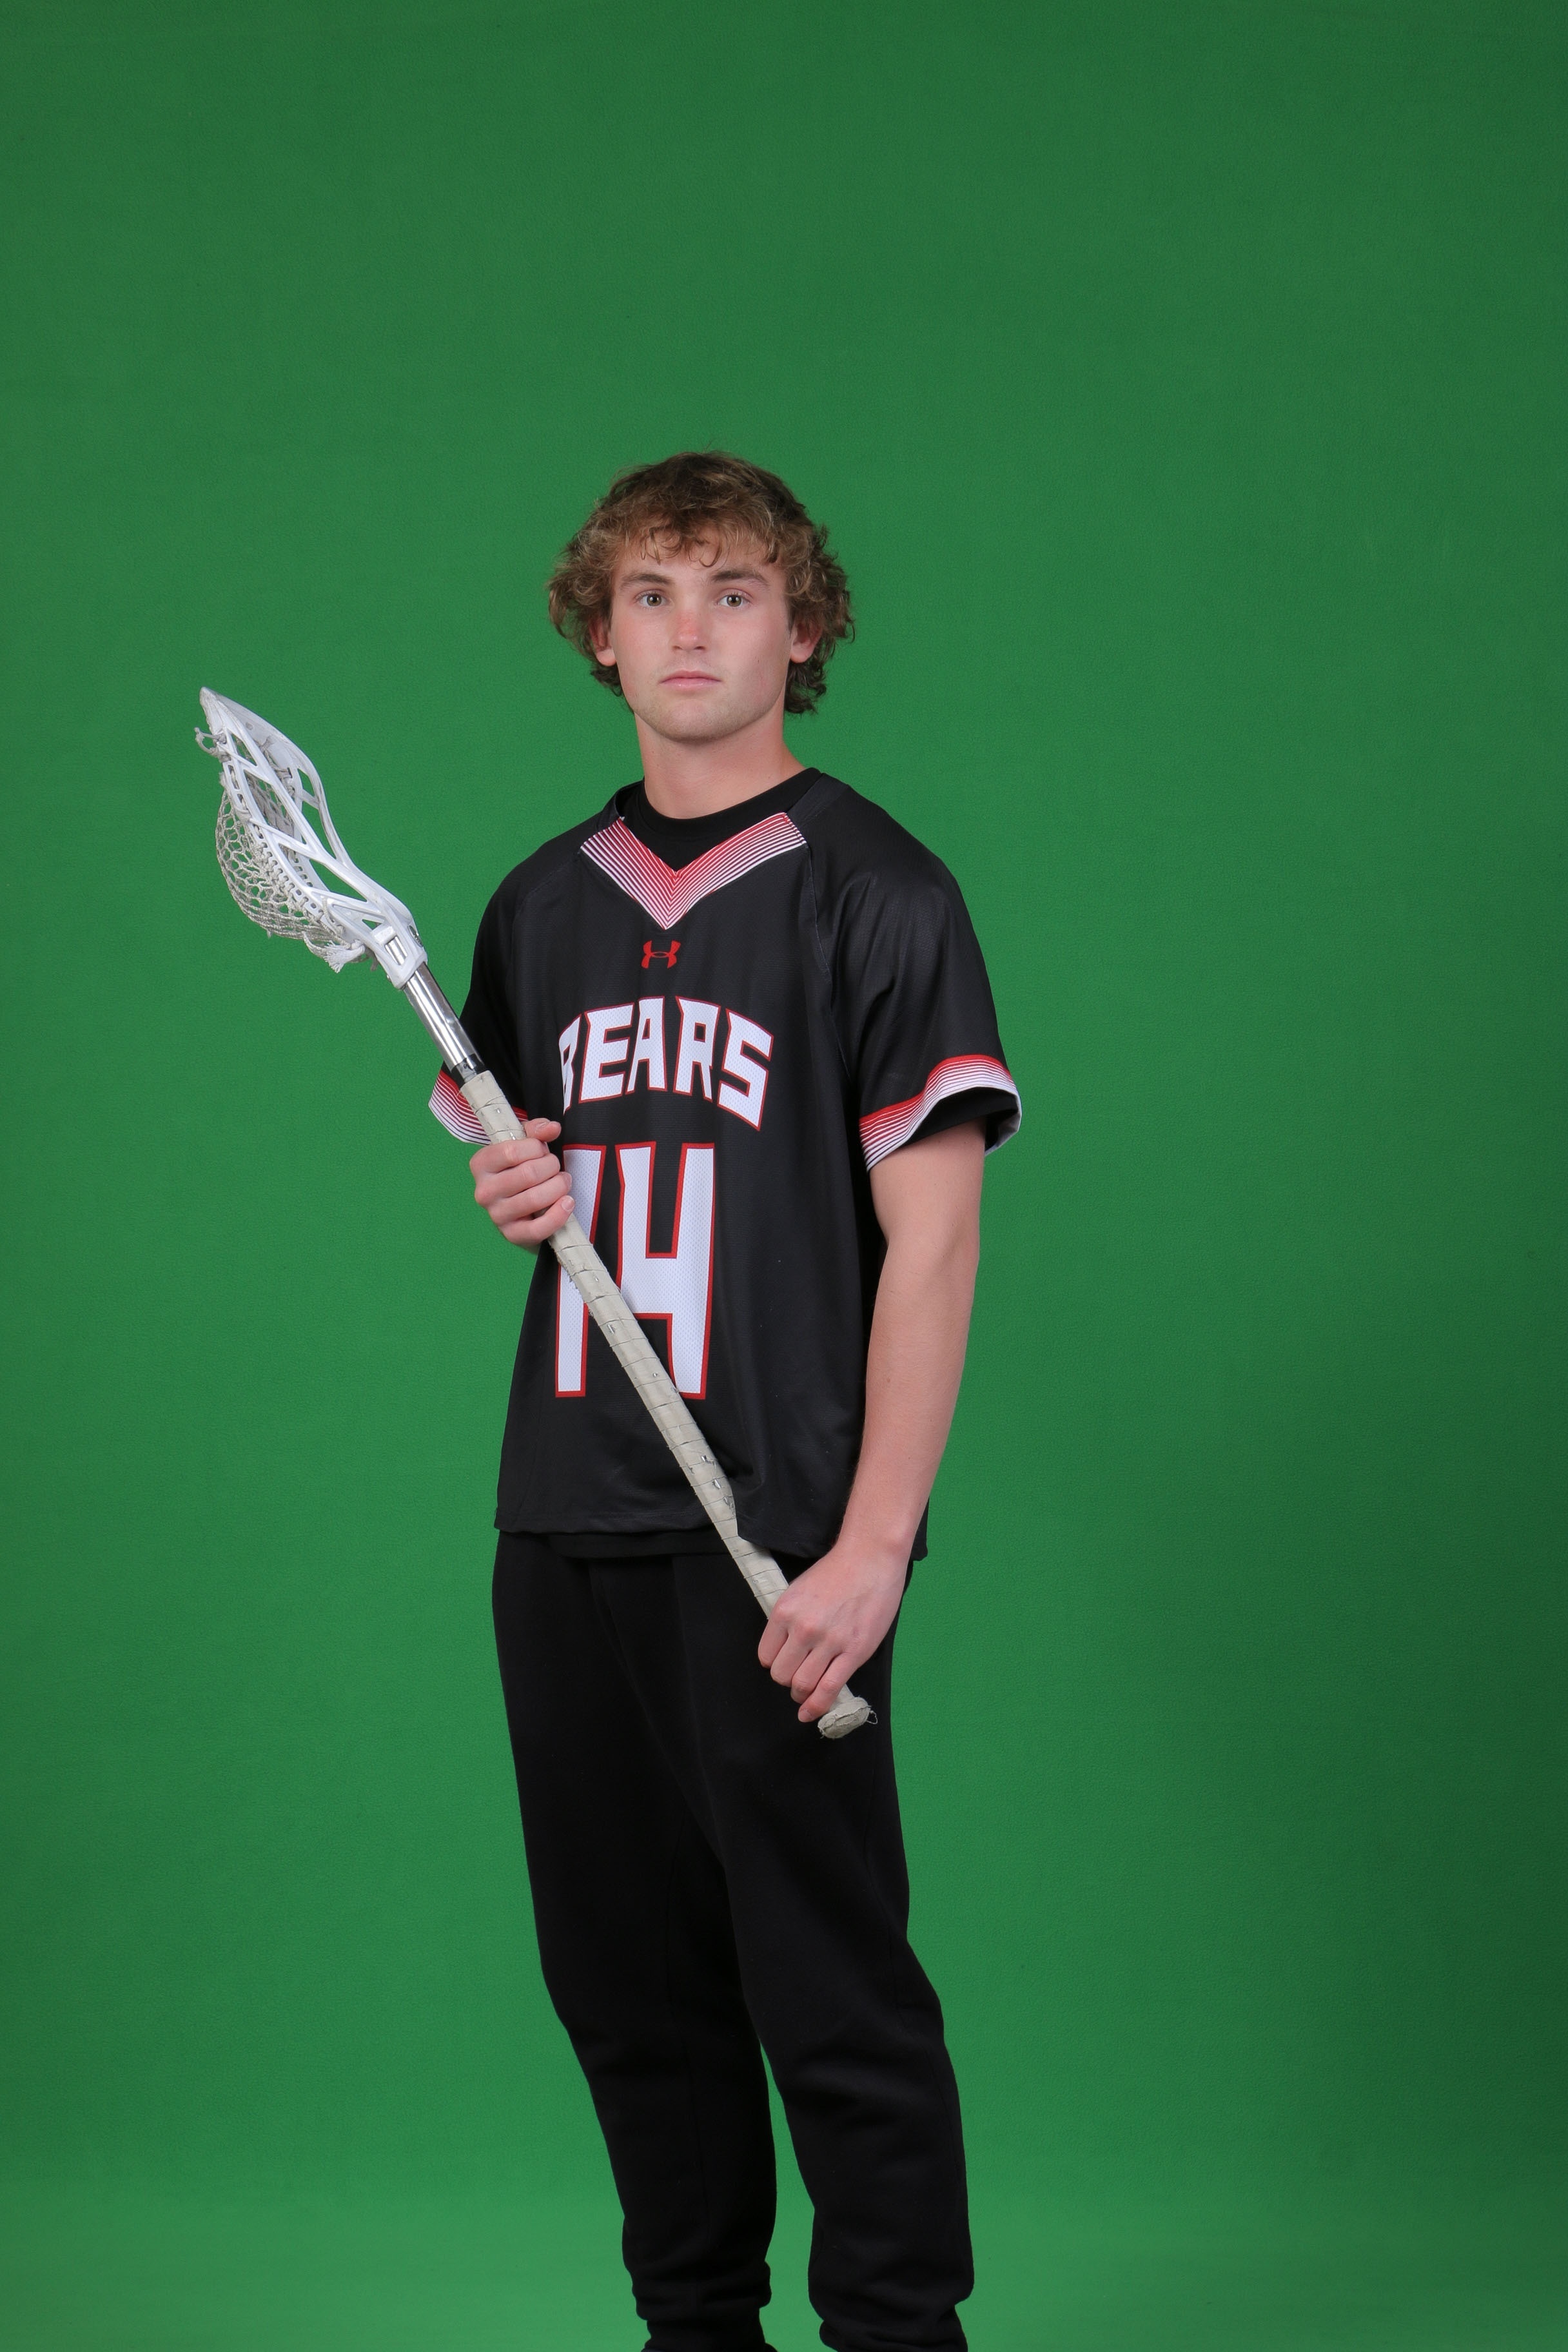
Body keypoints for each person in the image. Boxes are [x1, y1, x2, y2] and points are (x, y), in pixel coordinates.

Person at [430, 452, 1019, 2352]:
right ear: (600, 636)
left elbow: (934, 1246)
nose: (692, 630)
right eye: (654, 594)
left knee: (827, 1985)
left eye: (736, 591)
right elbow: (545, 1165)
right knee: (628, 1990)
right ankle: (695, 2331)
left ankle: (898, 2337)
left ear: (805, 625)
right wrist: (516, 1184)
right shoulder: (540, 904)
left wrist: (874, 1548)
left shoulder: (879, 890)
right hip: (566, 1514)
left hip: (776, 1538)